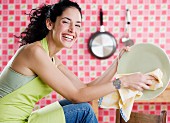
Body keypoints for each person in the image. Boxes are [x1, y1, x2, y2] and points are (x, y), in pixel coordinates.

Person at [0, 0, 155, 123]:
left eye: (78, 25)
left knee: (74, 105)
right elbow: (78, 95)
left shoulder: (51, 58)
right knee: (83, 110)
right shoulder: (34, 52)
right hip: (9, 120)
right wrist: (123, 82)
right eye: (66, 22)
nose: (73, 30)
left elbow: (84, 89)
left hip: (24, 118)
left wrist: (117, 64)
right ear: (50, 23)